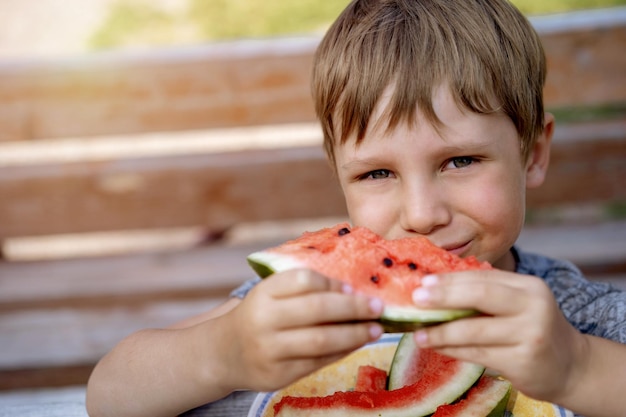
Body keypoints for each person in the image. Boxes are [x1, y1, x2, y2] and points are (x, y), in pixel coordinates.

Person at [85, 1, 626, 416]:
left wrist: (577, 366)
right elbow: (109, 395)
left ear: (532, 153)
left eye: (460, 161)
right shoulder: (312, 304)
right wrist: (224, 353)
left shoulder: (568, 315)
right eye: (377, 173)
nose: (421, 213)